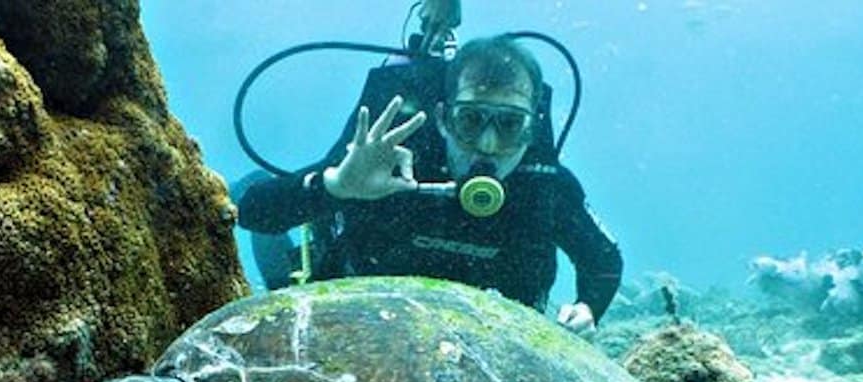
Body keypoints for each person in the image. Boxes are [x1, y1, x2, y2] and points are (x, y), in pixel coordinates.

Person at [236, 35, 622, 333]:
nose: (487, 146)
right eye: (470, 121)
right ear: (442, 119)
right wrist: (336, 185)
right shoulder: (386, 157)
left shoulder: (547, 187)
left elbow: (603, 261)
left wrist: (588, 308)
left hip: (483, 346)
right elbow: (253, 211)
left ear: (531, 130)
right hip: (355, 322)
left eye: (508, 125)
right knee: (281, 280)